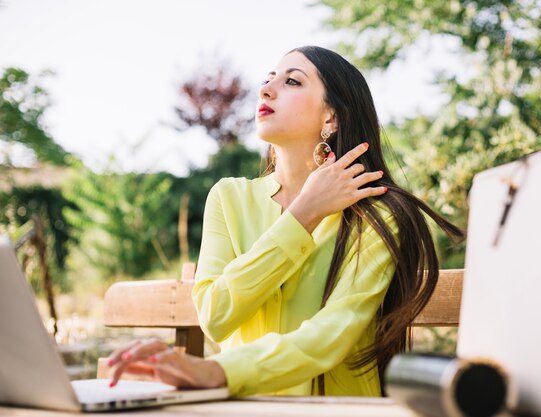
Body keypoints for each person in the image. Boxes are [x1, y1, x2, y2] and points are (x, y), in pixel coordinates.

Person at [107, 45, 463, 397]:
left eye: (292, 82)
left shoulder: (378, 212)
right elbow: (216, 317)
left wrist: (218, 372)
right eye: (268, 79)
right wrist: (303, 213)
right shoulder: (229, 197)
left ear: (331, 118)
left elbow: (330, 335)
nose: (266, 89)